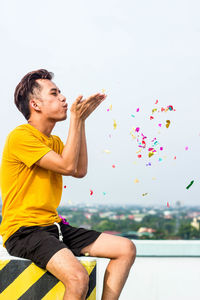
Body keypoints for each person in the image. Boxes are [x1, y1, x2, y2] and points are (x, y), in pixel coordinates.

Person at [0, 69, 136, 300]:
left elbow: (79, 170)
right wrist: (75, 118)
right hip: (24, 231)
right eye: (54, 93)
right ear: (35, 104)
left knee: (125, 249)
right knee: (77, 278)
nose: (63, 97)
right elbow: (67, 166)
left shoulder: (53, 141)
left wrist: (80, 121)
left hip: (53, 228)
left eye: (60, 92)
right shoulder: (21, 136)